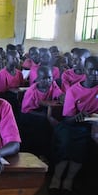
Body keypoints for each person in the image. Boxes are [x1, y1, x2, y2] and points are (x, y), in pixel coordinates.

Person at [49, 56, 98, 195]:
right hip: (72, 125)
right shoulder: (74, 91)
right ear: (85, 70)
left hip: (92, 126)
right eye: (91, 70)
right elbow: (67, 118)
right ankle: (56, 178)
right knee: (67, 143)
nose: (95, 74)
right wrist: (78, 117)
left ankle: (69, 180)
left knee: (84, 146)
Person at [19, 66, 64, 158]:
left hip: (45, 110)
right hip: (30, 114)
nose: (47, 80)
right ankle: (40, 152)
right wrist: (45, 116)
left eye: (49, 77)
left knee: (57, 118)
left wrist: (64, 98)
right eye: (44, 78)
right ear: (38, 79)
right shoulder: (32, 91)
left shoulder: (53, 85)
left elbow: (60, 95)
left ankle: (52, 150)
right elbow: (25, 110)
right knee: (44, 122)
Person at [0, 50, 24, 116]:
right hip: (6, 102)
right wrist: (11, 90)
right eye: (14, 58)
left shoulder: (19, 73)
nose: (17, 60)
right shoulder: (1, 74)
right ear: (7, 59)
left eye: (18, 58)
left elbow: (21, 86)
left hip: (17, 98)